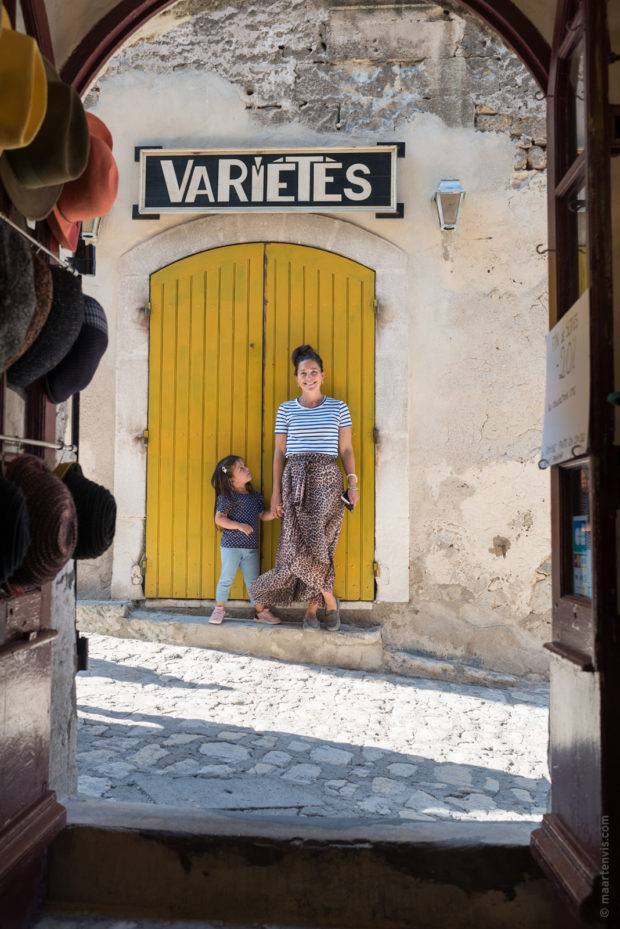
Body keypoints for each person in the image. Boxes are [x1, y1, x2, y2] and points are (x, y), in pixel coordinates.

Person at [250, 344, 359, 632]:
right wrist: (275, 493)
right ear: (296, 378)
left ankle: (312, 610)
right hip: (294, 480)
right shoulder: (285, 409)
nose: (308, 377)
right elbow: (278, 454)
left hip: (327, 479)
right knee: (294, 547)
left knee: (321, 544)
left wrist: (353, 483)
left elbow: (346, 449)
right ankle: (328, 599)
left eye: (313, 372)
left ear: (322, 375)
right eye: (302, 373)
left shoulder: (339, 407)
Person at [209, 455, 280, 625]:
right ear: (231, 480)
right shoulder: (227, 497)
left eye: (245, 465)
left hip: (250, 549)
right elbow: (219, 519)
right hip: (231, 547)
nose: (247, 469)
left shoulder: (255, 497)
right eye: (241, 468)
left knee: (254, 582)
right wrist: (239, 525)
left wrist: (275, 513)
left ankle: (260, 613)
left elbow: (262, 515)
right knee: (226, 578)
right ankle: (219, 608)